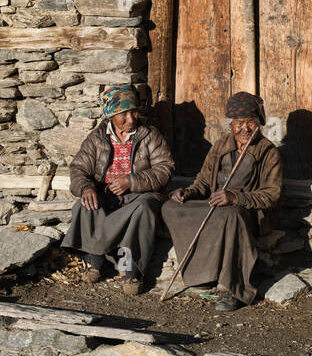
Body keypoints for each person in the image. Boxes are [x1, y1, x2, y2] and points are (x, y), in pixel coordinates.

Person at [161, 92, 283, 311]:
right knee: (170, 207)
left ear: (259, 124)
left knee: (231, 214)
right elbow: (204, 182)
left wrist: (236, 197)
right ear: (231, 125)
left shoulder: (268, 153)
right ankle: (204, 273)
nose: (245, 129)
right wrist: (187, 193)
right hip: (217, 207)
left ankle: (232, 289)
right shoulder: (221, 146)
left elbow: (271, 195)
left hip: (248, 213)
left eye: (251, 123)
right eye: (239, 124)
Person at [62, 84, 174, 295]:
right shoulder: (97, 138)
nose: (131, 119)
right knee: (86, 204)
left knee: (144, 209)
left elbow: (165, 169)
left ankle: (131, 270)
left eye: (133, 112)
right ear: (111, 114)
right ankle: (95, 261)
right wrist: (86, 188)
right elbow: (78, 168)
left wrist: (131, 181)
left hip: (140, 194)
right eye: (124, 114)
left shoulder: (149, 135)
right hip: (106, 194)